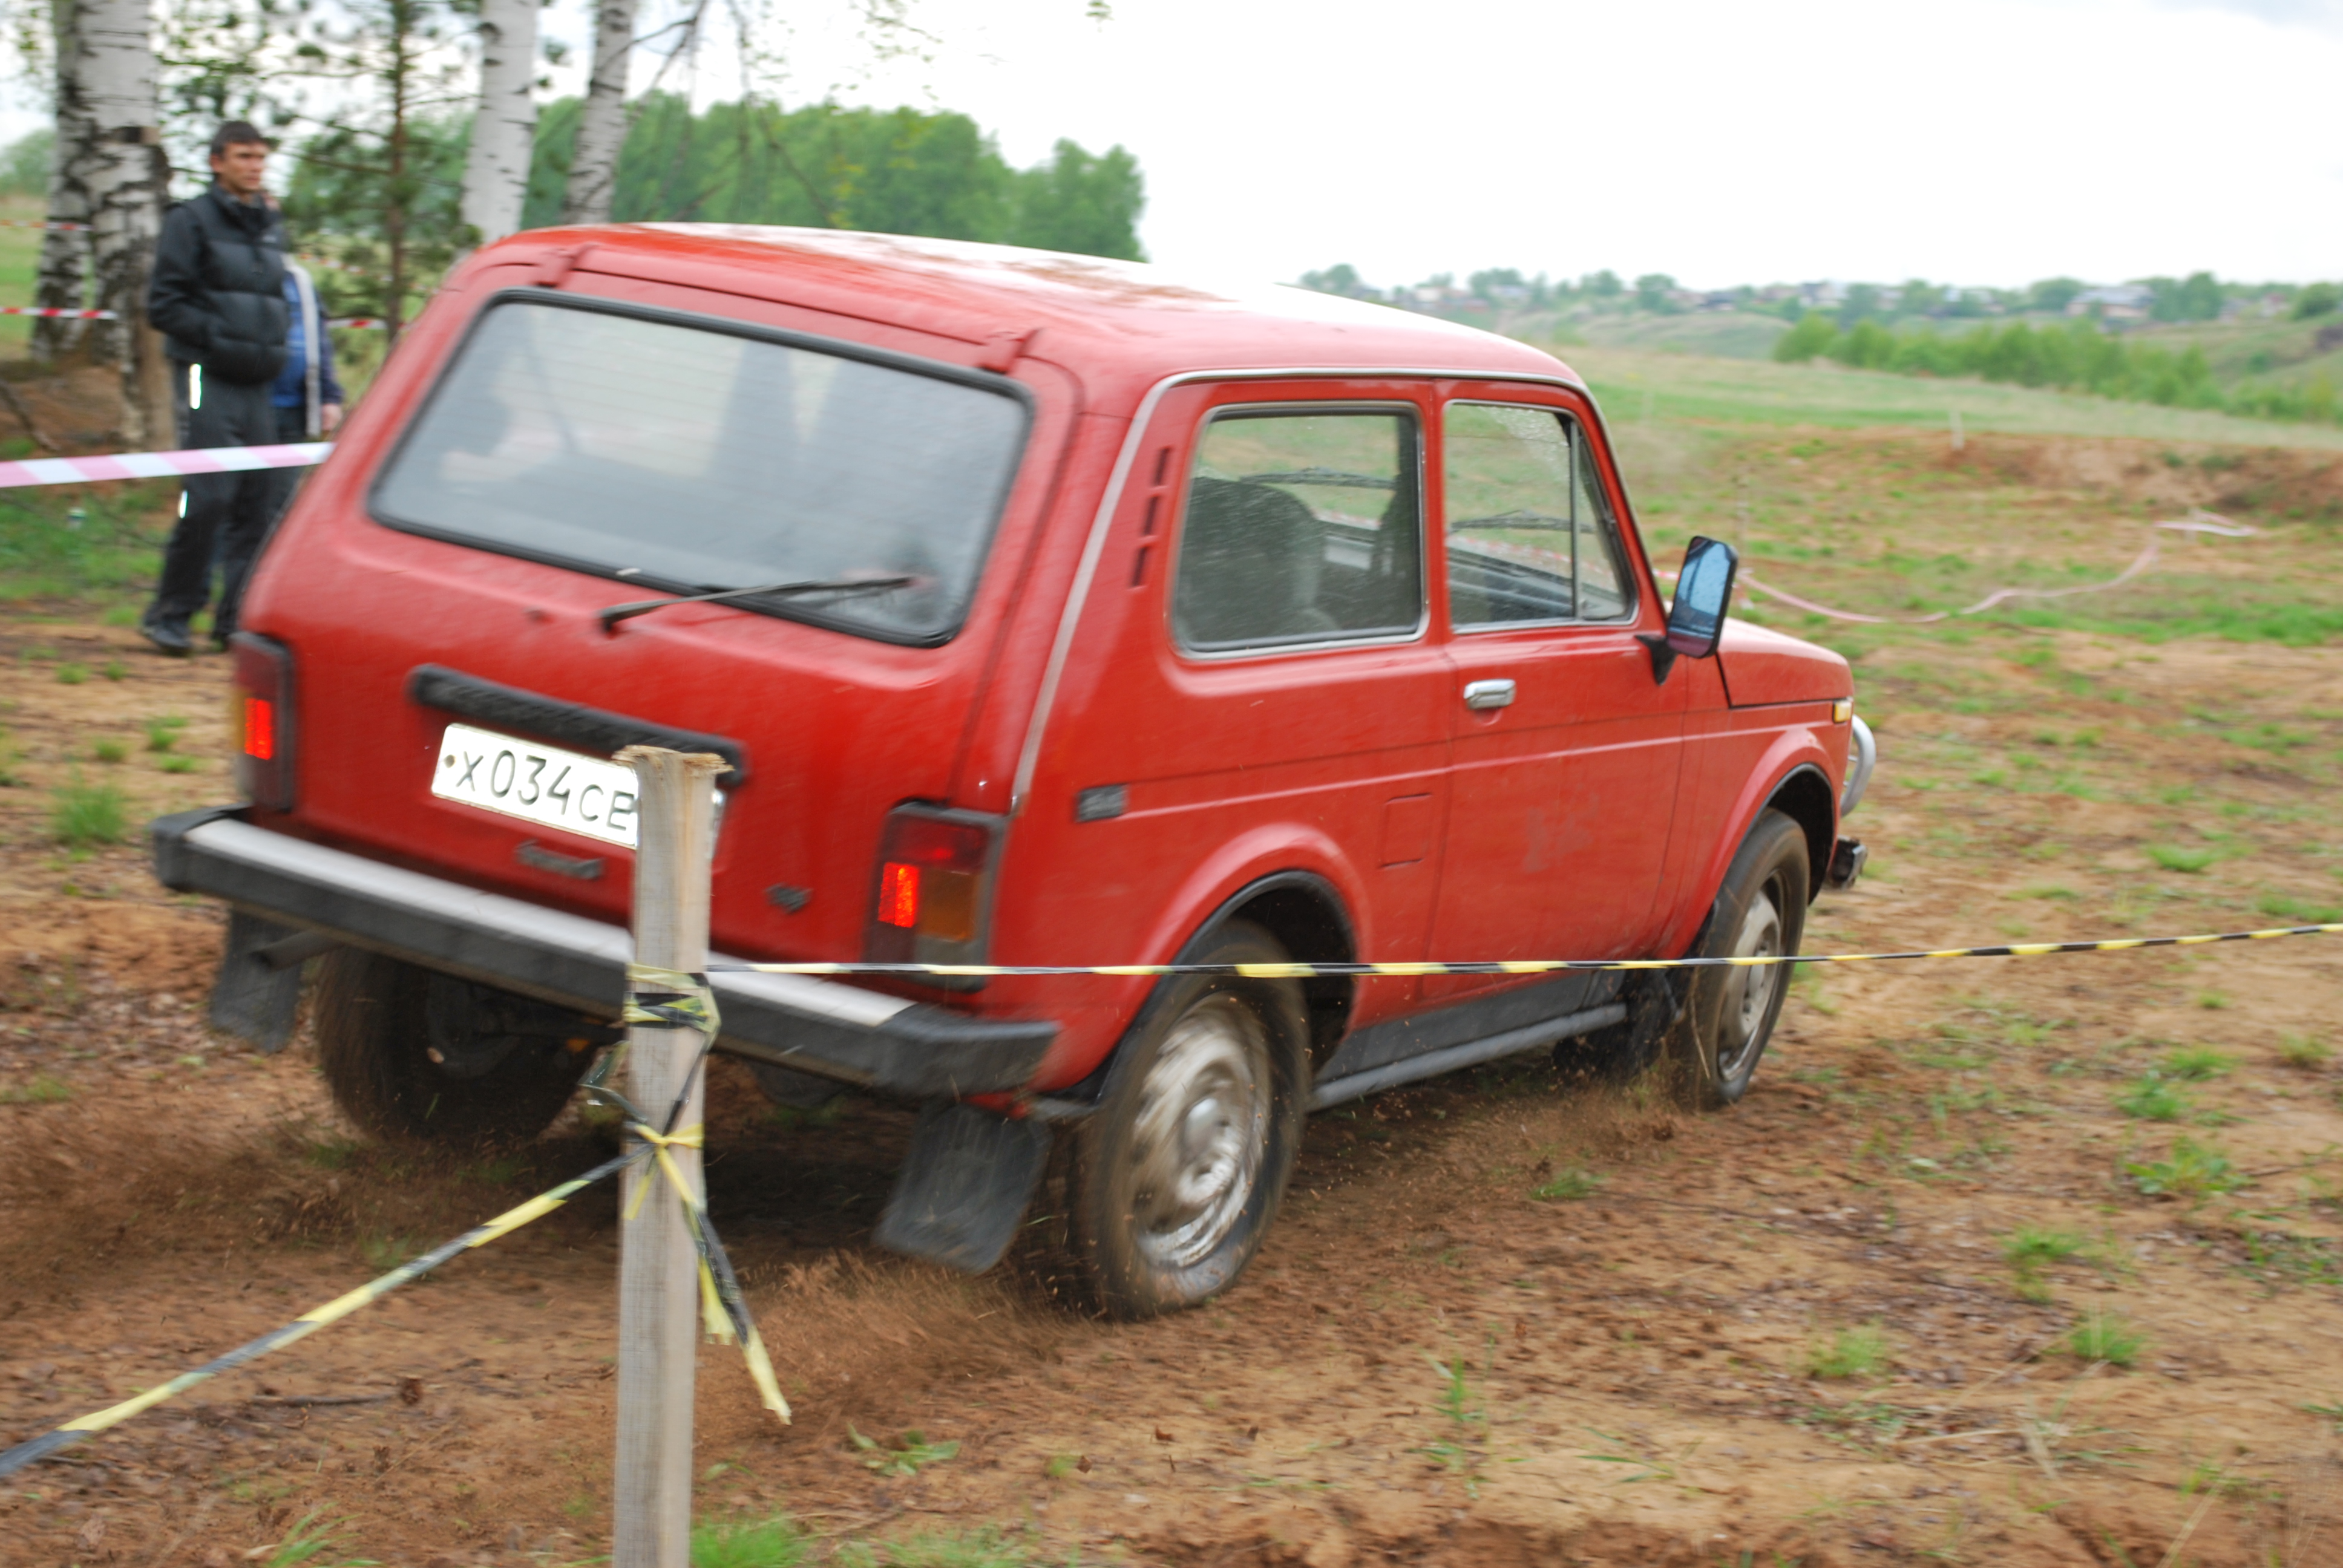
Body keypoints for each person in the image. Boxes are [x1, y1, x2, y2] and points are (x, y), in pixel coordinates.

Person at [140, 122, 297, 655]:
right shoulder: (189, 220)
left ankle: (234, 619)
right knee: (208, 497)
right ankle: (171, 613)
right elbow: (164, 306)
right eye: (243, 156)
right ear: (217, 162)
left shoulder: (270, 224)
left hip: (258, 382)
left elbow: (275, 299)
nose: (255, 166)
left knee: (260, 502)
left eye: (260, 157)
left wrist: (271, 345)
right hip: (204, 374)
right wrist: (220, 337)